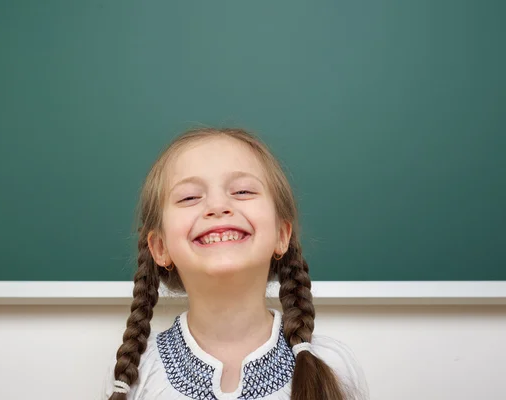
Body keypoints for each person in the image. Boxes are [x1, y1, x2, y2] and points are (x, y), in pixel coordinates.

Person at [103, 128, 369, 400]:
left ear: (281, 235)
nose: (218, 206)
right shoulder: (137, 374)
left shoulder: (332, 366)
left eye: (242, 191)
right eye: (189, 197)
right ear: (160, 247)